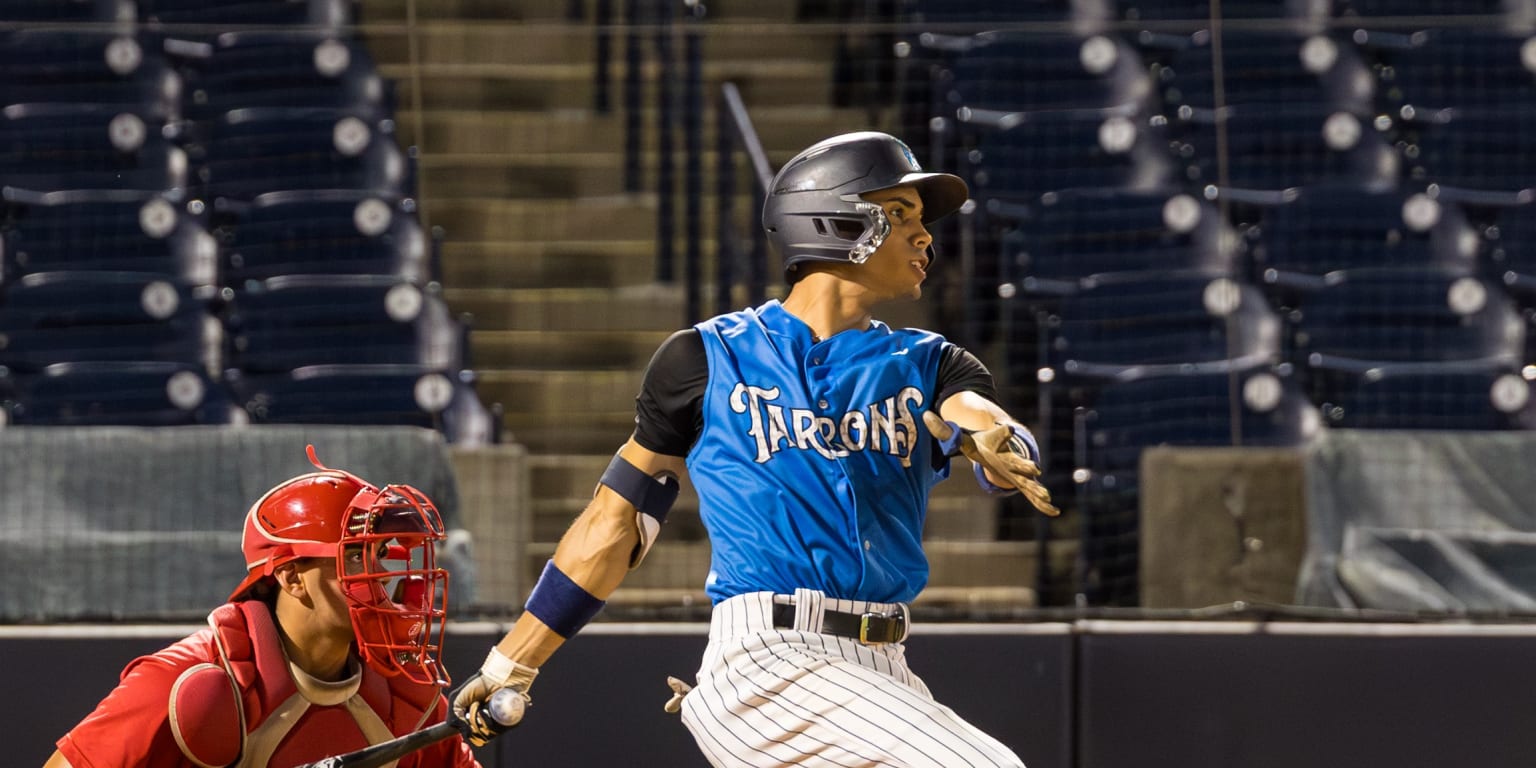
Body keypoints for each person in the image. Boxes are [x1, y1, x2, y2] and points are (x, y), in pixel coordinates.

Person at [450, 130, 1058, 767]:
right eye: (899, 213)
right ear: (831, 217)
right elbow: (617, 520)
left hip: (881, 671)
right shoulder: (707, 358)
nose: (925, 234)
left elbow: (978, 414)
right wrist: (510, 664)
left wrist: (996, 439)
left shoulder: (928, 362)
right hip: (770, 668)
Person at [44, 446, 480, 768]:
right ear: (291, 577)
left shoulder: (404, 693)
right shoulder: (193, 684)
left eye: (381, 553)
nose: (383, 574)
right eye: (354, 555)